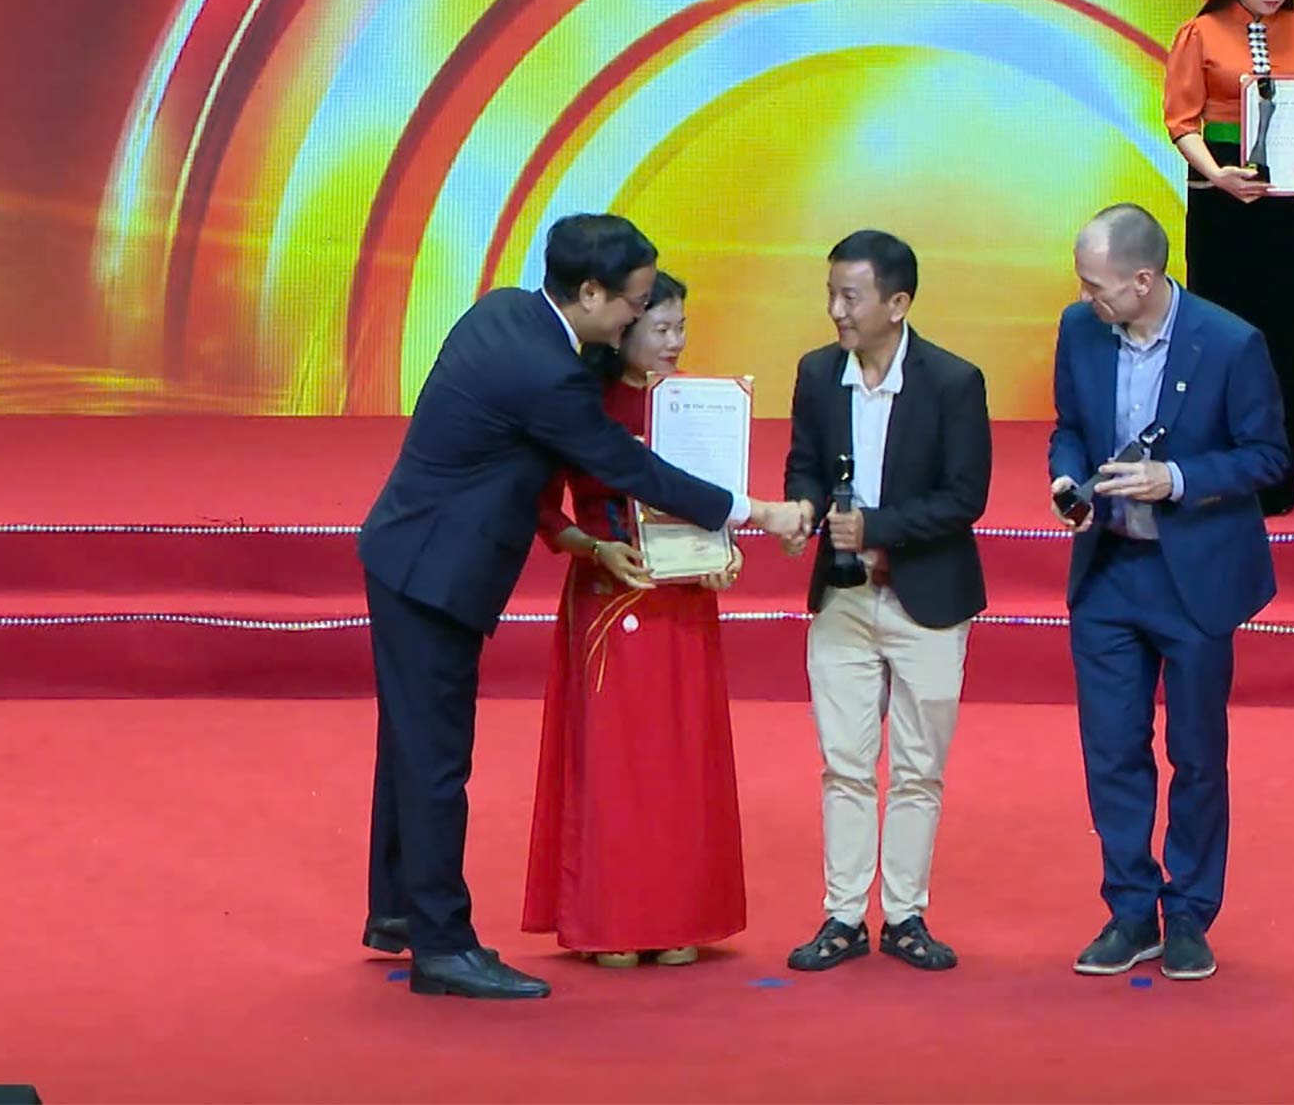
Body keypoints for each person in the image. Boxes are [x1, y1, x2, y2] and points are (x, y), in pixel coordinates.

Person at [357, 214, 803, 999]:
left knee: (409, 749)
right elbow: (628, 465)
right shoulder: (550, 374)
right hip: (434, 572)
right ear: (590, 292)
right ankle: (442, 945)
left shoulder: (504, 310)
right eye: (632, 302)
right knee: (434, 762)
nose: (637, 316)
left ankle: (398, 909)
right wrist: (755, 512)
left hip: (409, 552)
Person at [1050, 203, 1286, 982]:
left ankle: (1188, 911)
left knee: (1196, 753)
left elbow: (1265, 457)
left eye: (1099, 287)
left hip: (1194, 576)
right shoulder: (1080, 331)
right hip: (1109, 570)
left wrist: (1175, 479)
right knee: (1112, 749)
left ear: (1144, 279)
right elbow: (1069, 427)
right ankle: (1129, 907)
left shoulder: (1229, 342)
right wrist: (1066, 474)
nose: (1089, 299)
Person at [778, 230, 992, 973]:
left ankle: (904, 913)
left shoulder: (954, 382)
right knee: (843, 761)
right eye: (831, 291)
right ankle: (842, 914)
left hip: (927, 595)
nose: (836, 309)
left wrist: (878, 527)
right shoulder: (814, 373)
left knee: (917, 765)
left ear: (897, 304)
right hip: (842, 595)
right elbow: (803, 466)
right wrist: (802, 510)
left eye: (851, 295)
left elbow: (965, 498)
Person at [521, 271, 748, 969]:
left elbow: (719, 502)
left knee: (679, 759)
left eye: (682, 327)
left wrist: (725, 553)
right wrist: (593, 548)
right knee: (617, 764)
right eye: (661, 328)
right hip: (607, 594)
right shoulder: (581, 403)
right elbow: (541, 508)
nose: (676, 342)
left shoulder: (702, 406)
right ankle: (611, 915)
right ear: (623, 326)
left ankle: (680, 914)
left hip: (682, 600)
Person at [1164, 0, 1294, 517]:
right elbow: (1181, 122)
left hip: (1285, 203)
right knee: (1217, 337)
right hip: (1221, 199)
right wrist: (1217, 175)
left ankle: (1276, 481)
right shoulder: (1201, 32)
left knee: (1284, 340)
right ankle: (1216, 475)